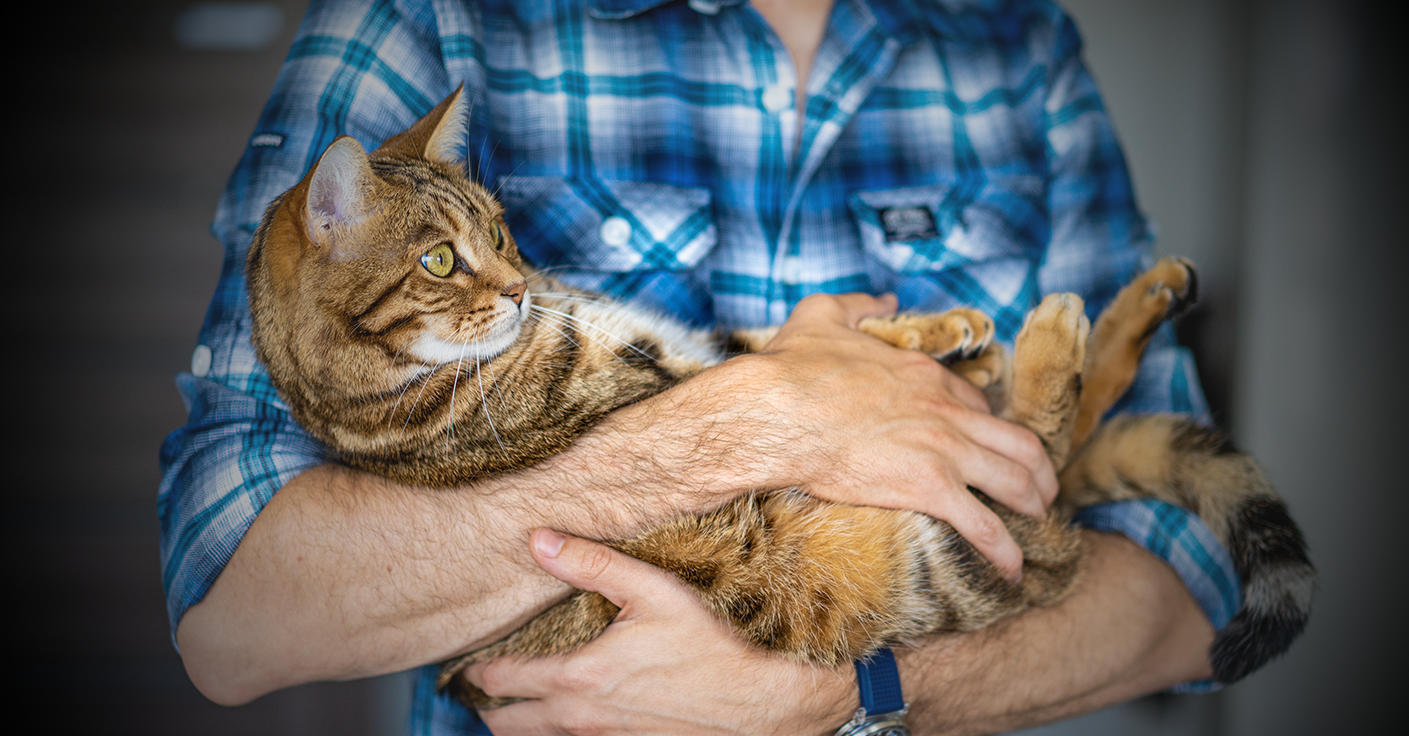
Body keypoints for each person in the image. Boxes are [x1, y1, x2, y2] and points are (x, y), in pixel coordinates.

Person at [160, 0, 1236, 733]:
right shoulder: (435, 15)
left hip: (854, 591)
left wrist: (840, 693)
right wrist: (760, 417)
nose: (505, 285)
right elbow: (232, 611)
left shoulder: (1016, 41)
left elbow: (1193, 585)